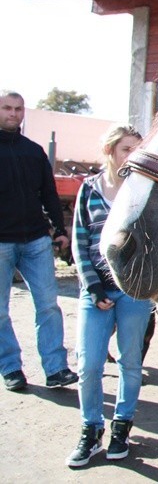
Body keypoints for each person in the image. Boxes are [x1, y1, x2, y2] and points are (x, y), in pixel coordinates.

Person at [66, 124, 153, 467]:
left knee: (130, 362)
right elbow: (78, 241)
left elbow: (152, 244)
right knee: (88, 365)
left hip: (133, 293)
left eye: (137, 148)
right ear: (111, 152)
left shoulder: (145, 191)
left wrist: (144, 284)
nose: (132, 155)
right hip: (96, 292)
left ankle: (121, 427)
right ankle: (90, 429)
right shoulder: (89, 190)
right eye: (125, 149)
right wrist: (92, 286)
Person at [0, 90, 78, 392]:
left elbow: (48, 195)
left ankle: (56, 368)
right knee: (0, 312)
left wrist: (59, 229)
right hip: (1, 244)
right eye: (7, 108)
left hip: (35, 241)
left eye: (19, 109)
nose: (13, 114)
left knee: (48, 305)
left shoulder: (33, 152)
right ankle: (11, 368)